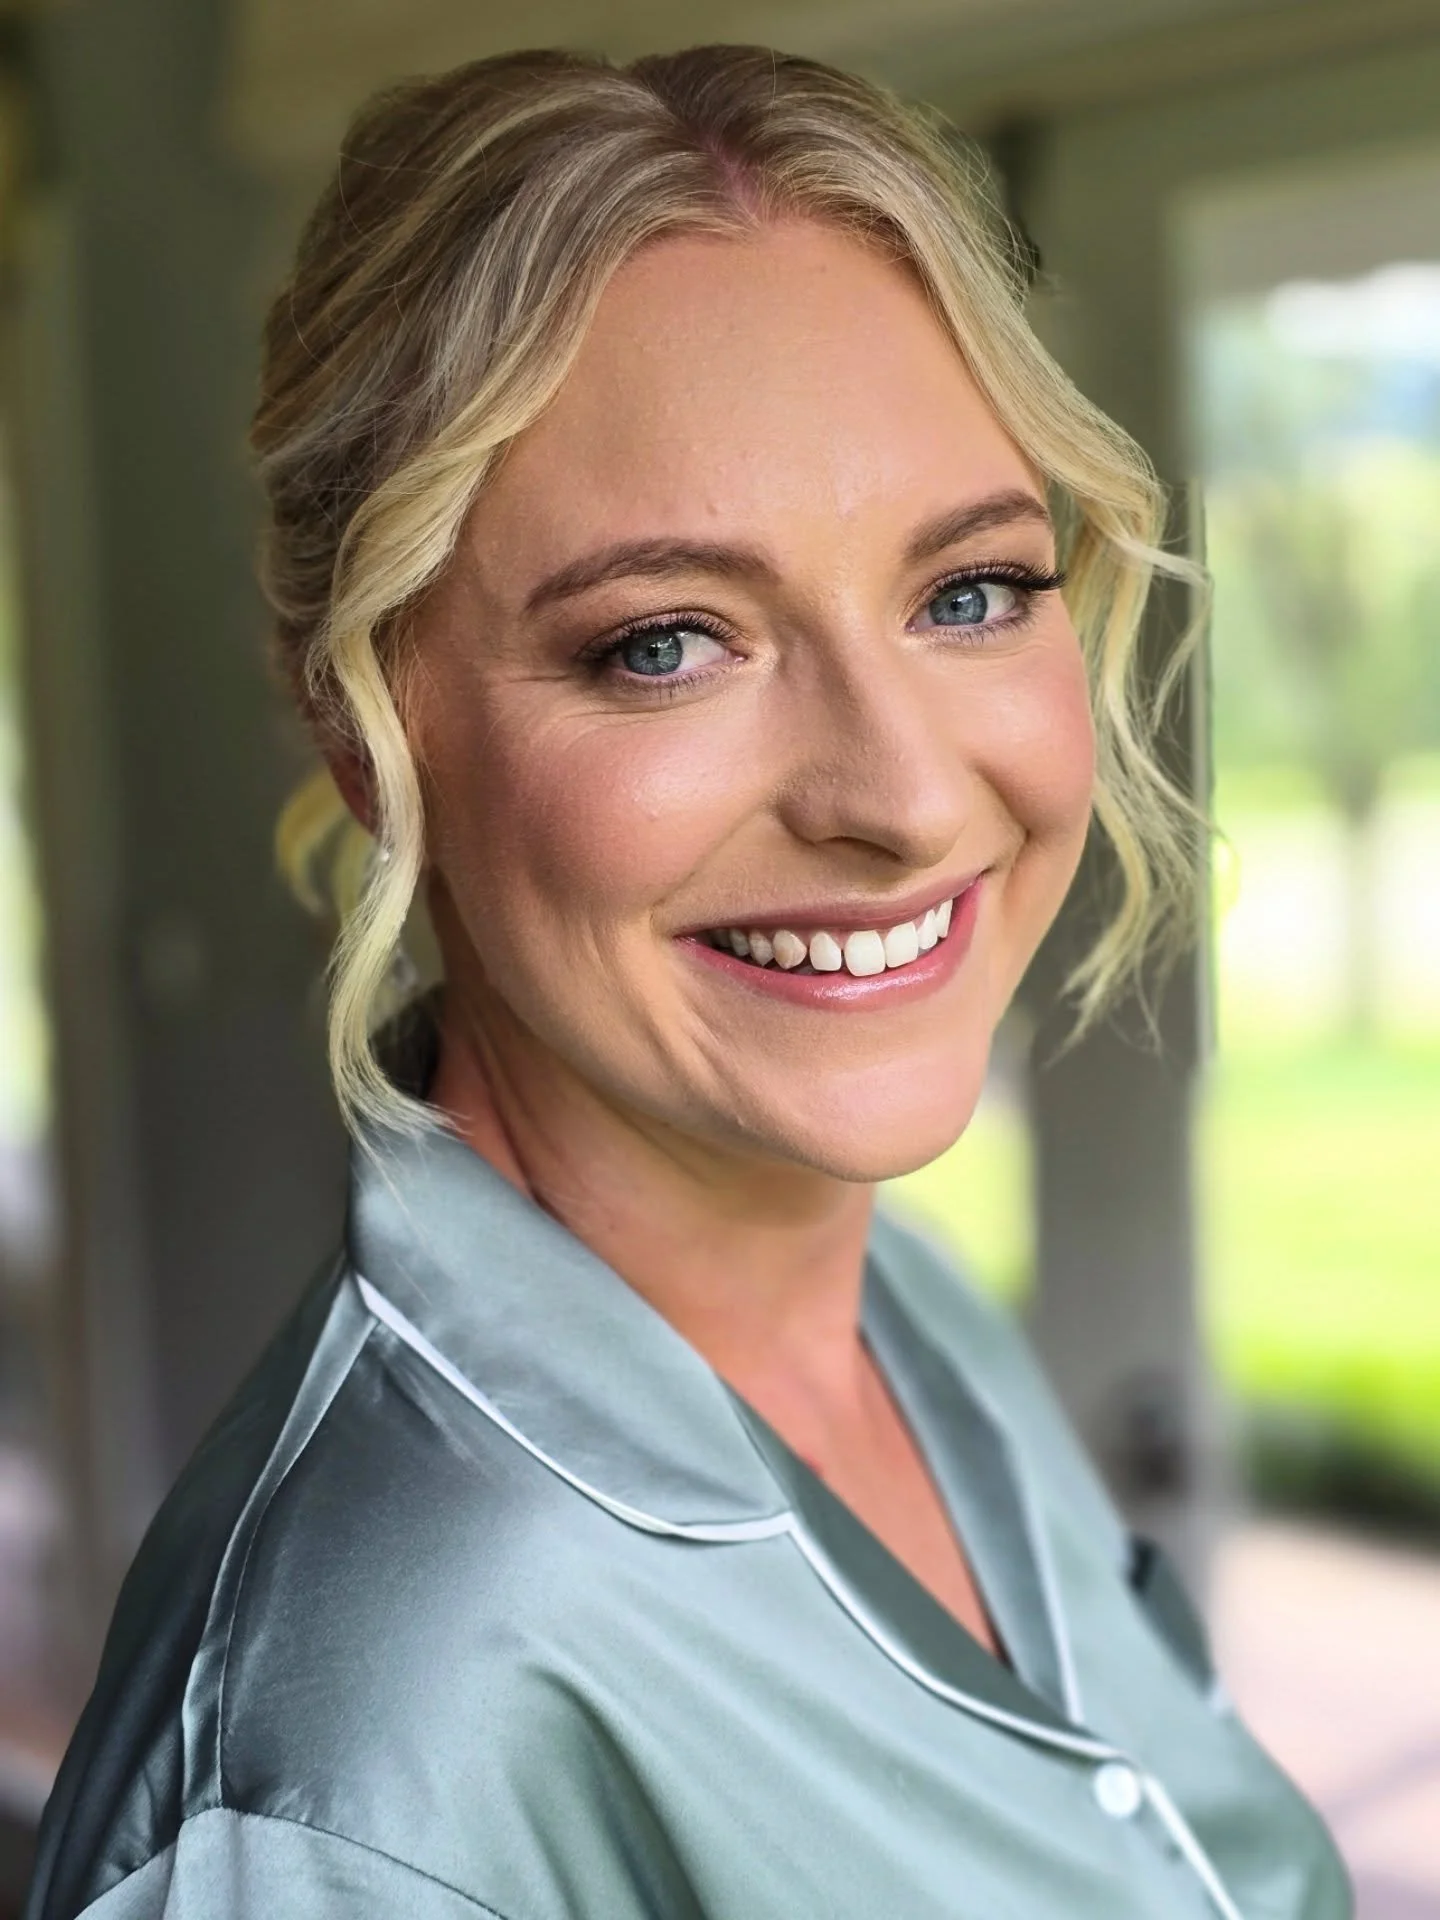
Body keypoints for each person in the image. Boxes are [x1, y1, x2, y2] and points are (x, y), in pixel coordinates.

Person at [25, 43, 1350, 1920]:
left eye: (969, 591)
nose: (903, 800)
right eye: (666, 643)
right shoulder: (365, 1768)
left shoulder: (908, 1317)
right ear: (364, 722)